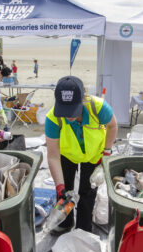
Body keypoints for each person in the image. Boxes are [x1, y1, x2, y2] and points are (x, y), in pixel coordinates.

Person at [45, 76, 118, 233]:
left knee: (87, 192)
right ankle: (65, 223)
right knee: (66, 192)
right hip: (66, 154)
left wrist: (107, 151)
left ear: (83, 99)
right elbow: (52, 156)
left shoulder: (98, 107)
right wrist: (60, 187)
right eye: (64, 110)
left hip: (94, 155)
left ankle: (83, 228)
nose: (69, 116)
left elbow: (113, 126)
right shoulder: (52, 118)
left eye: (73, 110)